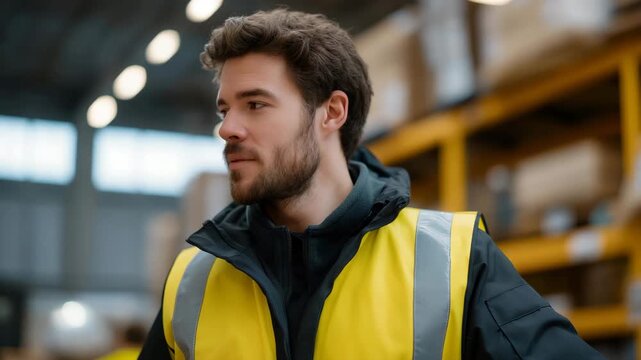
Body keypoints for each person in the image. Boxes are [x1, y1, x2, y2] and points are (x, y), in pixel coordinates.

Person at [139, 9, 603, 360]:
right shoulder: (191, 281)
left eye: (255, 105)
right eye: (225, 110)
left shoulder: (453, 260)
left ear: (332, 112)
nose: (228, 128)